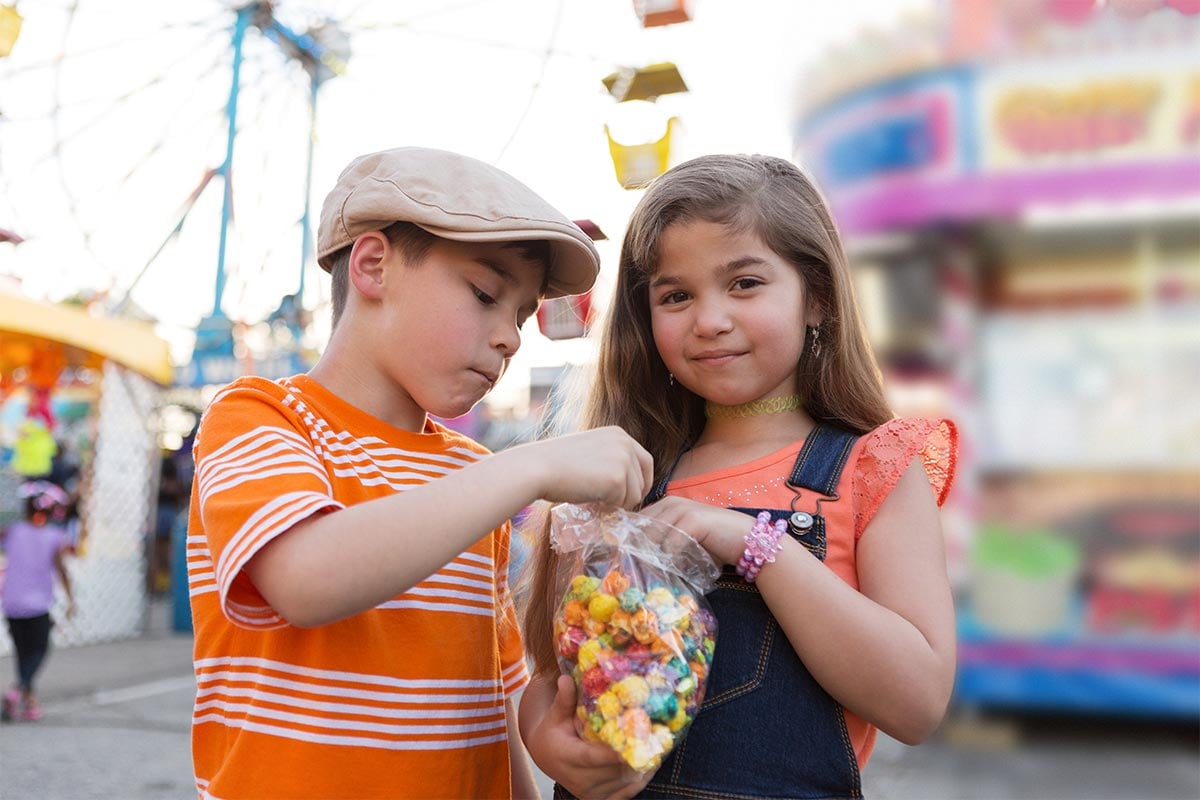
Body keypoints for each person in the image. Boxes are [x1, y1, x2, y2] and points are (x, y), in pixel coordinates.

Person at [186, 147, 654, 800]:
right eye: (486, 294)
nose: (511, 339)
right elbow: (305, 578)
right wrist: (533, 465)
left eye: (520, 315)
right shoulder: (261, 417)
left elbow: (493, 692)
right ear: (374, 265)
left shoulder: (474, 473)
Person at [519, 154, 958, 799]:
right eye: (676, 296)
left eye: (745, 283)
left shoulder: (871, 468)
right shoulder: (620, 475)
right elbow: (550, 674)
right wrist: (544, 738)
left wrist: (754, 545)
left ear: (816, 297)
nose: (710, 319)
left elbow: (916, 703)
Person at [1, 480, 75, 722]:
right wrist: (72, 598)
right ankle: (19, 688)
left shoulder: (14, 531)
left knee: (23, 653)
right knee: (40, 650)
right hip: (37, 604)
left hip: (12, 602)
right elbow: (62, 570)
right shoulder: (54, 536)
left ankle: (27, 702)